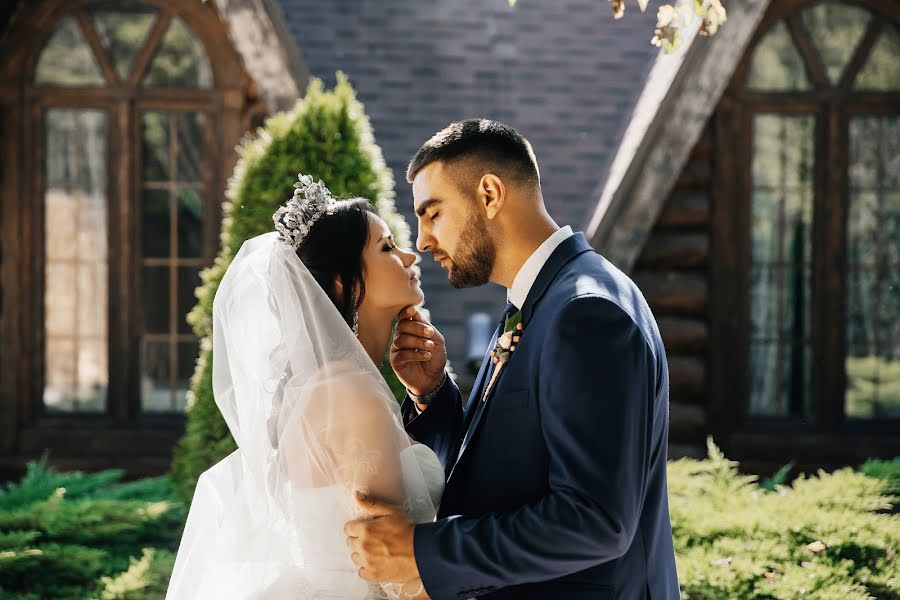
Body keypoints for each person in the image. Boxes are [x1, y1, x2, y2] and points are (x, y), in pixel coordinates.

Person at [346, 120, 681, 599]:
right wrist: (434, 394)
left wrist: (424, 552)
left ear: (488, 194)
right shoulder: (539, 302)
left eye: (433, 213)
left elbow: (596, 520)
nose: (421, 241)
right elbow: (501, 475)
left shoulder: (585, 313)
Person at [166, 175, 444, 599]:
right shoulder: (350, 392)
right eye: (387, 248)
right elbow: (393, 567)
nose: (410, 255)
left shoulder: (330, 385)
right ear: (339, 282)